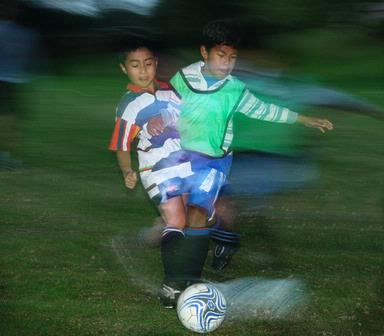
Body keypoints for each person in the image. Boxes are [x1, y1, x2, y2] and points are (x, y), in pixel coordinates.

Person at [147, 20, 333, 308]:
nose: (227, 63)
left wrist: (303, 118)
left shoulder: (236, 89)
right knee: (176, 219)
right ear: (204, 52)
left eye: (232, 58)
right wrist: (161, 119)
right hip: (181, 158)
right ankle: (172, 280)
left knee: (197, 215)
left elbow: (264, 109)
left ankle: (189, 281)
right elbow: (172, 108)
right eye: (221, 56)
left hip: (214, 163)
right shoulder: (183, 78)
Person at [108, 41, 182, 218]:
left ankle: (150, 237)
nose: (143, 70)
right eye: (135, 65)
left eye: (148, 64)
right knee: (175, 219)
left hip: (184, 162)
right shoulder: (129, 105)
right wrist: (127, 171)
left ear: (155, 63)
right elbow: (122, 145)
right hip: (155, 169)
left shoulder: (170, 90)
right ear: (124, 69)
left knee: (192, 217)